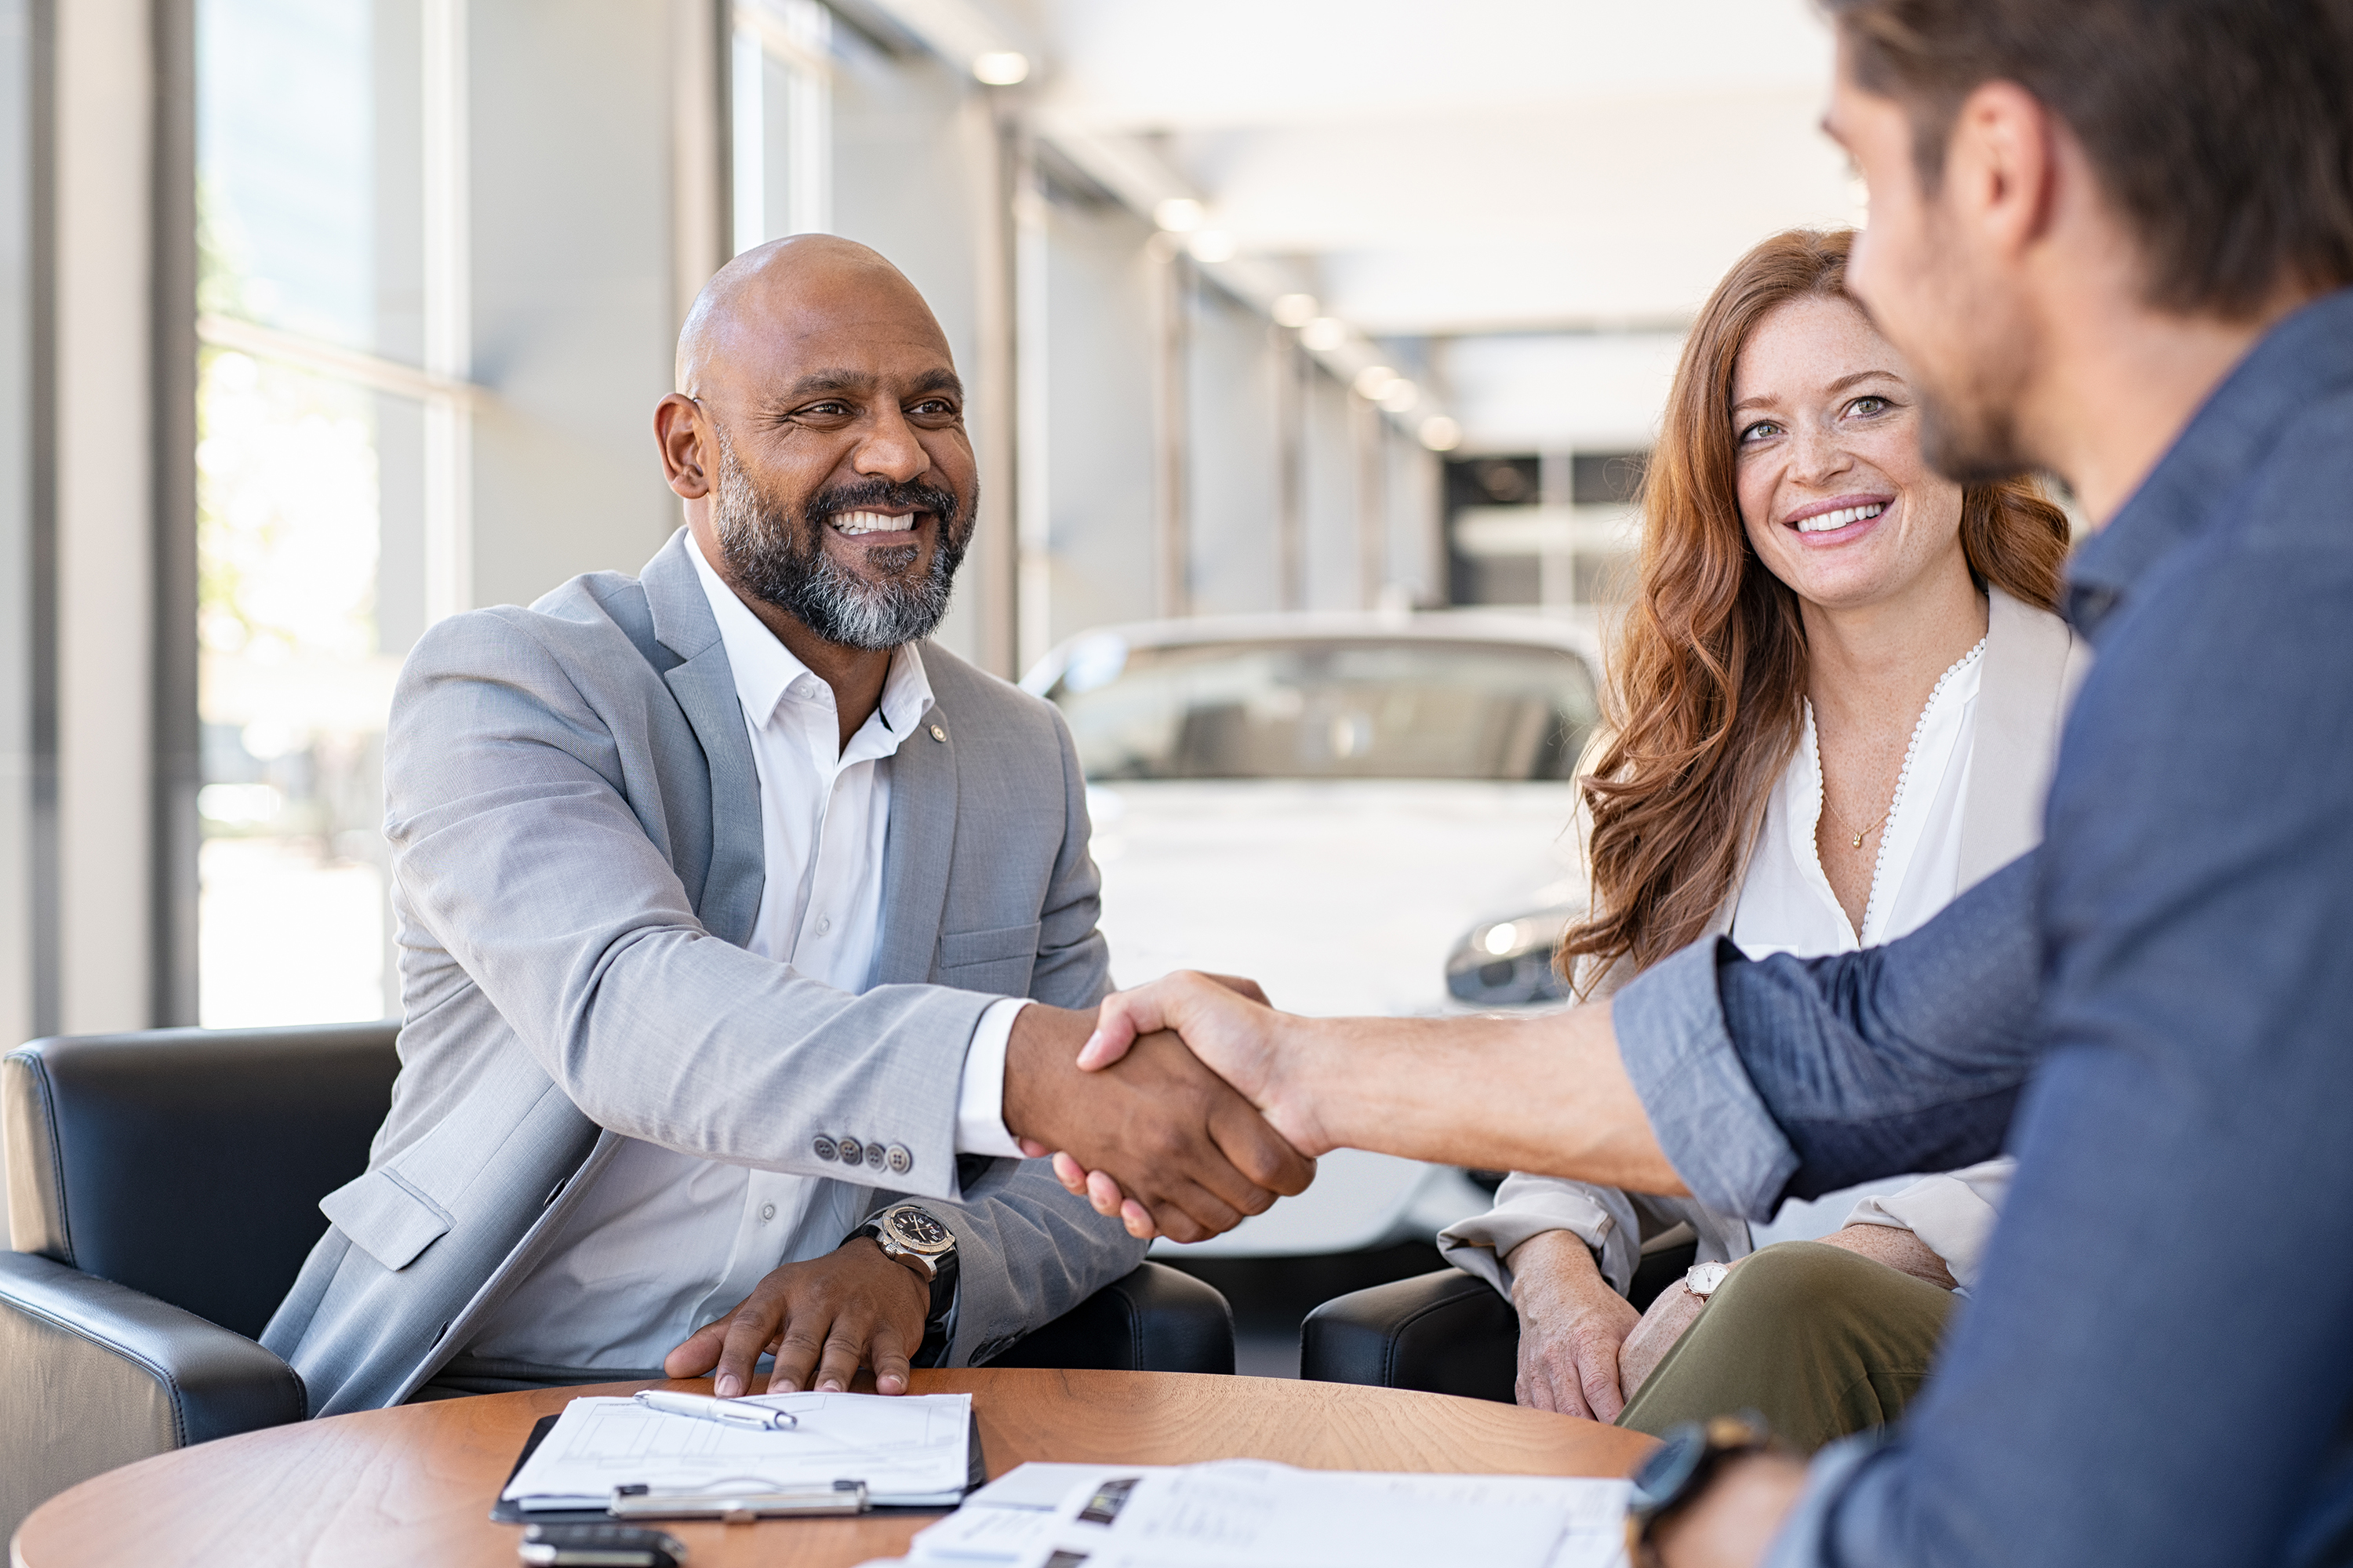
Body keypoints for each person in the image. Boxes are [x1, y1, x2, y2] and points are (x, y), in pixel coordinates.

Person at [1058, 1, 2353, 1563]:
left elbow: (2059, 1504)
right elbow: (1866, 1049)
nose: (1873, 276)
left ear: (1999, 169)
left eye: (1869, 183)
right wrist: (1303, 1069)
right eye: (1764, 429)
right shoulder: (2238, 594)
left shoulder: (2258, 635)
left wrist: (1684, 1510)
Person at [262, 235, 1312, 1417]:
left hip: (826, 1407)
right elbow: (629, 1009)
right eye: (826, 410)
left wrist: (911, 1259)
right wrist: (1013, 1068)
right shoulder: (515, 687)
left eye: (934, 407)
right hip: (464, 1384)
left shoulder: (1022, 754)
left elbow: (1079, 1167)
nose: (899, 455)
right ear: (690, 451)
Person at [1435, 227, 2087, 1451]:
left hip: (2042, 1348)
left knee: (1795, 1296)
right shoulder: (1698, 759)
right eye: (1760, 430)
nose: (1816, 466)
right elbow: (1604, 1076)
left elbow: (2123, 1104)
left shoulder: (2107, 711)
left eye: (1869, 404)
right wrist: (1558, 1276)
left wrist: (1741, 1286)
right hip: (1742, 1381)